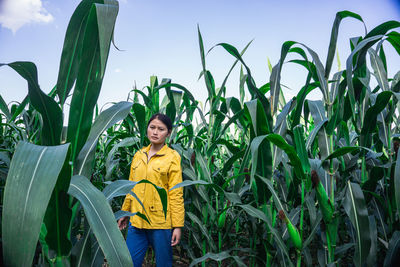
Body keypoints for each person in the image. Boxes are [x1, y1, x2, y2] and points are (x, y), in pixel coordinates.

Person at [118, 113, 184, 267]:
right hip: (137, 221)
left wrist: (177, 226)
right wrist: (124, 212)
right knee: (129, 263)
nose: (155, 132)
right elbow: (130, 186)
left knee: (164, 264)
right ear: (146, 129)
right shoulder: (138, 155)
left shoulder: (172, 157)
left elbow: (176, 193)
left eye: (161, 129)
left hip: (160, 224)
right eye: (152, 127)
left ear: (168, 133)